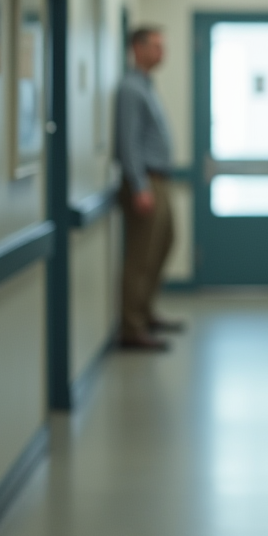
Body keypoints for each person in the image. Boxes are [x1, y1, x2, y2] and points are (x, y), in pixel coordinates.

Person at [115, 26, 183, 351]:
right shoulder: (130, 89)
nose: (162, 53)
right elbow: (128, 141)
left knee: (164, 243)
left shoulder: (146, 85)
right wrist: (139, 185)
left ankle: (146, 312)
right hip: (145, 182)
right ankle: (132, 327)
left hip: (160, 180)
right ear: (137, 48)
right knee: (141, 256)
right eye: (156, 46)